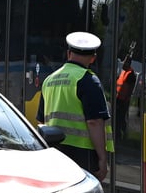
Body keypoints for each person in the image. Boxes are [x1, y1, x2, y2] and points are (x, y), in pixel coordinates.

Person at [37, 32, 113, 182]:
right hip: (82, 155)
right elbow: (94, 122)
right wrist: (103, 159)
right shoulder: (88, 80)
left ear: (68, 53)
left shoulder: (49, 80)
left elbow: (41, 122)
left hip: (55, 152)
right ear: (93, 58)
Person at [114, 51, 136, 140]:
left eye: (125, 61)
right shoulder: (124, 72)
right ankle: (118, 134)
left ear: (128, 63)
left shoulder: (130, 74)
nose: (123, 63)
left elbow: (130, 88)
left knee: (121, 118)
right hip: (118, 98)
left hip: (123, 100)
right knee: (117, 117)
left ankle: (122, 134)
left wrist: (126, 100)